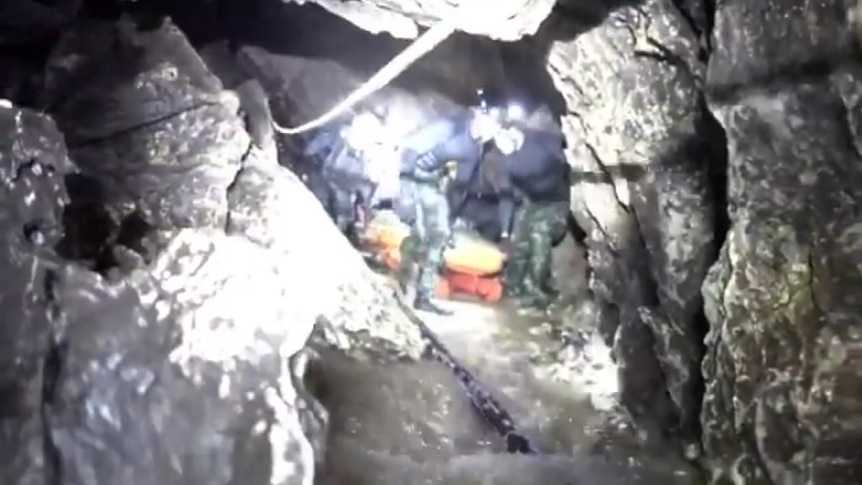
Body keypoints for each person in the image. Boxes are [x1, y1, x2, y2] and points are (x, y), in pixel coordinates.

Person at [396, 104, 506, 315]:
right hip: (412, 178)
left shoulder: (476, 148)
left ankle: (424, 296)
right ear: (477, 116)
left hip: (433, 185)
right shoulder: (450, 127)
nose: (491, 129)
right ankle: (403, 282)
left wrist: (450, 218)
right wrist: (405, 194)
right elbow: (409, 150)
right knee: (418, 234)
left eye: (496, 126)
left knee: (440, 236)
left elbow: (460, 188)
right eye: (490, 122)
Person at [493, 125, 571, 308]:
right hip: (533, 202)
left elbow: (566, 140)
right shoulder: (506, 163)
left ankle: (537, 289)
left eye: (503, 140)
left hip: (558, 201)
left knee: (539, 231)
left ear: (514, 134)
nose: (502, 148)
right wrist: (505, 233)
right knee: (521, 236)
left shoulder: (540, 140)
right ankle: (513, 283)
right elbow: (506, 197)